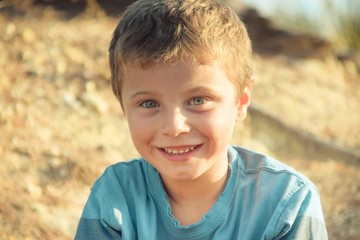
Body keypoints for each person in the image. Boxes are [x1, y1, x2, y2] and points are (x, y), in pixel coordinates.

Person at [75, 0, 328, 239]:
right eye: (149, 104)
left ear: (240, 101)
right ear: (123, 106)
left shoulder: (286, 203)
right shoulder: (115, 197)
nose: (174, 127)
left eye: (198, 100)